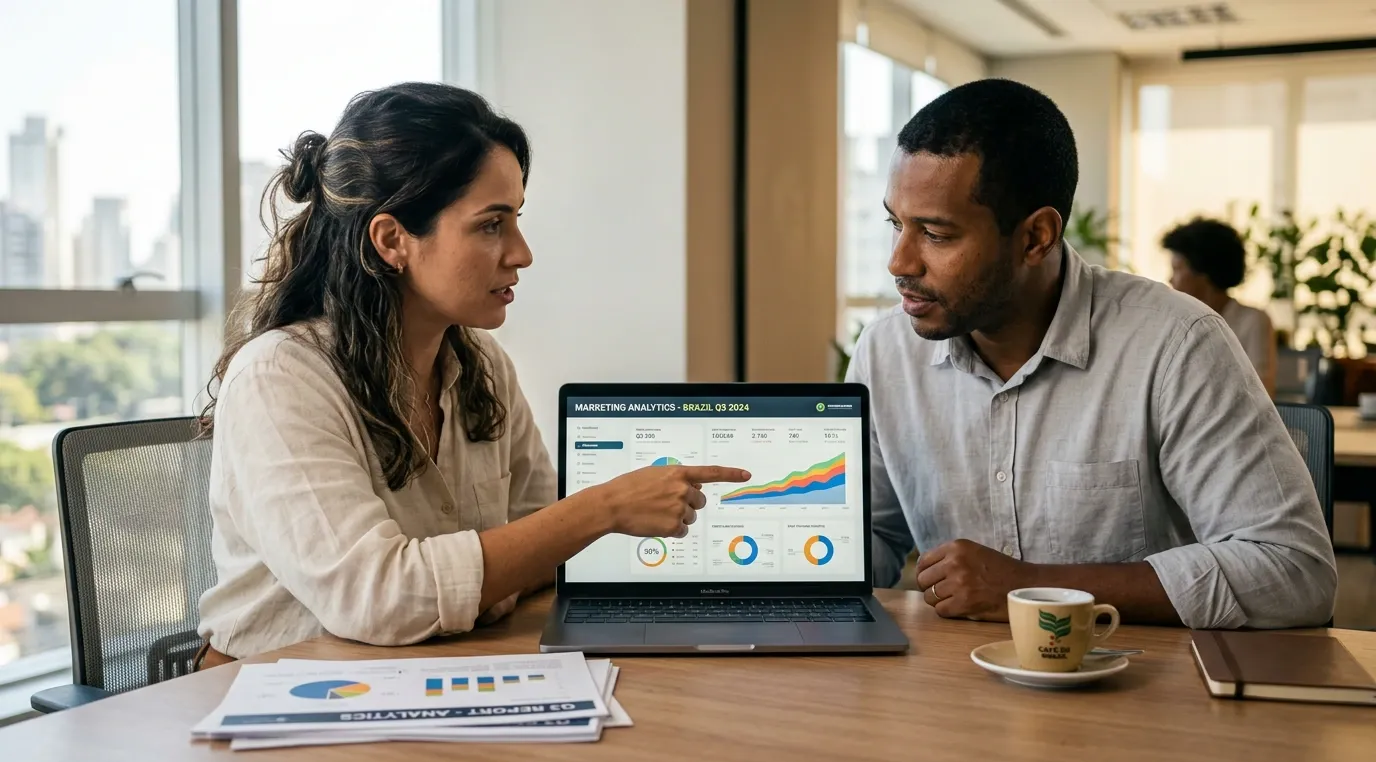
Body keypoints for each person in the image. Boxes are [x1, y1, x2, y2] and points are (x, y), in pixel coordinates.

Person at [195, 83, 748, 663]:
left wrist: (482, 579)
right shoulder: (280, 377)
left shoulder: (481, 363)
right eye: (491, 225)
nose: (522, 252)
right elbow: (378, 598)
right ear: (392, 240)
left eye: (516, 220)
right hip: (280, 696)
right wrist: (601, 509)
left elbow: (539, 532)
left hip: (429, 670)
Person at [847, 78, 1335, 629]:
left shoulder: (1175, 343)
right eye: (896, 223)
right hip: (954, 689)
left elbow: (1295, 571)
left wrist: (1030, 587)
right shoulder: (885, 352)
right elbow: (874, 536)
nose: (899, 262)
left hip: (1138, 691)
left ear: (1036, 237)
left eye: (935, 233)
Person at [1165, 217, 1277, 396]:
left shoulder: (1253, 321)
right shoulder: (1179, 321)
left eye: (1177, 269)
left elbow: (1261, 392)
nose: (1170, 279)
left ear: (1203, 272)